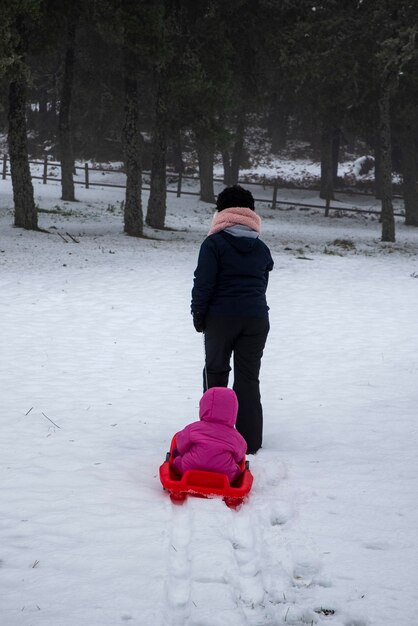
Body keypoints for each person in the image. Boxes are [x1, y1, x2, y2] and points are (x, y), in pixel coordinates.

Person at [191, 185, 273, 454]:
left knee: (216, 373)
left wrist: (199, 314)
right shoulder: (261, 249)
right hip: (256, 319)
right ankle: (250, 441)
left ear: (221, 211)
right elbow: (261, 285)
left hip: (221, 318)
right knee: (248, 379)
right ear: (250, 212)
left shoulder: (214, 243)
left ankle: (213, 436)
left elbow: (203, 283)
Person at [171, 387, 247, 484]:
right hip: (225, 474)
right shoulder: (235, 436)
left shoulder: (194, 428)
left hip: (190, 468)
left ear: (203, 407)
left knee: (177, 461)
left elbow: (181, 443)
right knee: (236, 470)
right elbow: (240, 455)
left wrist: (181, 452)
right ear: (233, 411)